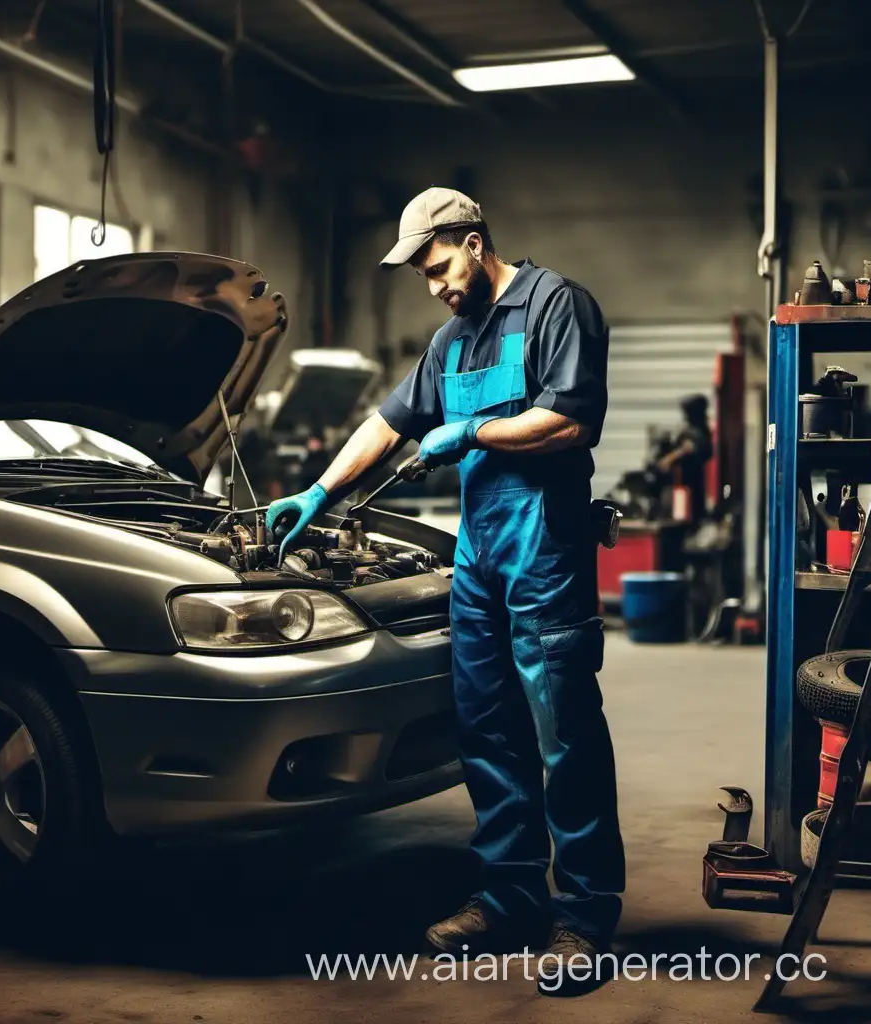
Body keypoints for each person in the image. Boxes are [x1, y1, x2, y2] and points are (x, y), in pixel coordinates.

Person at [266, 187, 625, 995]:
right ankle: (509, 898)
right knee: (489, 731)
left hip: (545, 555)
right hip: (479, 561)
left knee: (563, 732)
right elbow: (390, 423)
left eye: (437, 267)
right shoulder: (450, 341)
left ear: (472, 239)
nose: (434, 286)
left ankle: (587, 914)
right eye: (424, 277)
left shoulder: (557, 305)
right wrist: (317, 492)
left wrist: (469, 432)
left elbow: (571, 421)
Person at [656, 394, 714, 523]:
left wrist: (668, 460)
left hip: (688, 485)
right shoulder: (700, 429)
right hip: (685, 484)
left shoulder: (696, 432)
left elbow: (689, 448)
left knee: (686, 518)